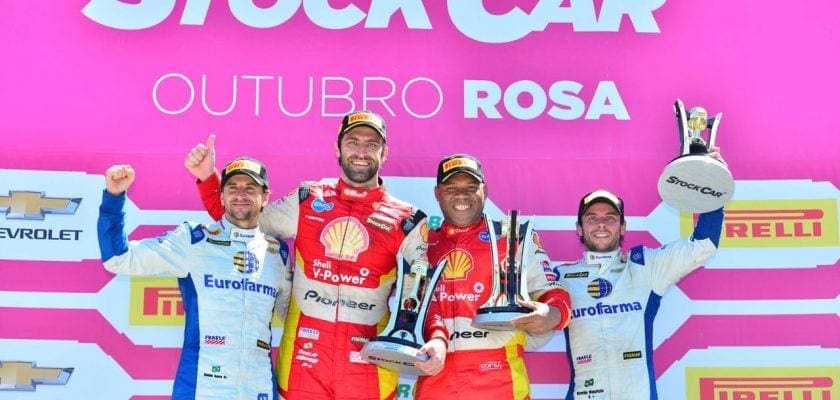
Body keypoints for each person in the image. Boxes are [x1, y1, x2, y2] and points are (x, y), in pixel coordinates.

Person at [184, 110, 448, 400]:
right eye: (352, 142)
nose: (361, 151)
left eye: (372, 144)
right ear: (338, 147)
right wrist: (208, 177)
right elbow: (239, 219)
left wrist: (437, 338)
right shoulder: (308, 199)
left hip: (370, 367)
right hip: (303, 363)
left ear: (384, 153)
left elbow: (425, 295)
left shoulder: (407, 220)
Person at [97, 157, 292, 400]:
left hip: (259, 387)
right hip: (203, 386)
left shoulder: (278, 253)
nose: (240, 194)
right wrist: (113, 199)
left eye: (250, 188)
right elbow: (118, 259)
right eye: (232, 188)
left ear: (266, 197)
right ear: (221, 196)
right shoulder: (193, 240)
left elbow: (294, 317)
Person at [555, 147, 727, 399]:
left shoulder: (646, 266)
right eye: (591, 218)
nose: (601, 224)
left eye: (610, 218)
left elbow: (703, 245)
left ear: (623, 227)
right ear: (579, 228)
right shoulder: (561, 278)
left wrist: (713, 178)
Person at [415, 153, 572, 400]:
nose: (462, 195)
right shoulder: (422, 244)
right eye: (451, 188)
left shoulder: (512, 238)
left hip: (501, 381)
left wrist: (550, 316)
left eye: (471, 187)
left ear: (485, 191)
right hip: (436, 379)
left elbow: (554, 293)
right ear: (437, 193)